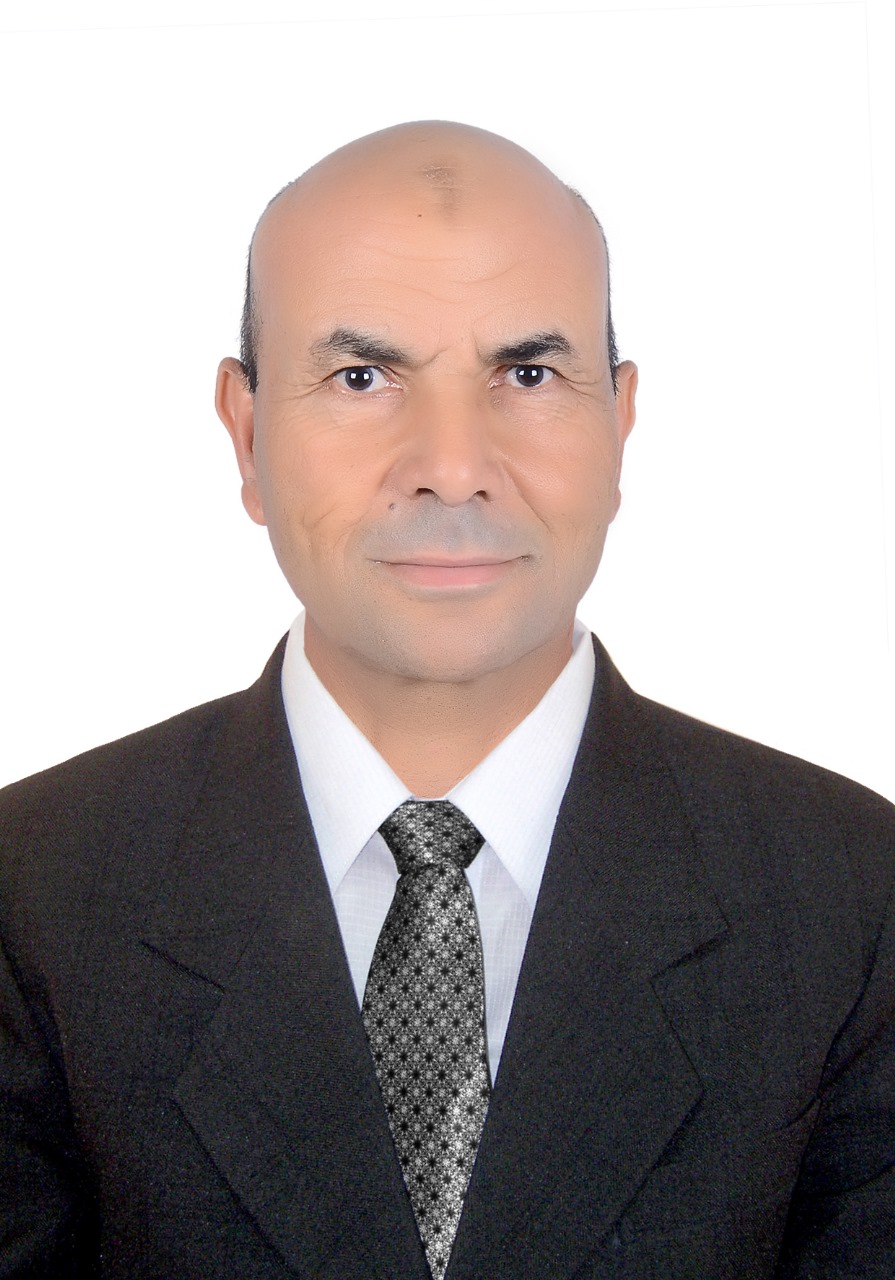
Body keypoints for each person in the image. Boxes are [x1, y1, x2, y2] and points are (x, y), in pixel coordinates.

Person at [0, 120, 893, 1280]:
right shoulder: (34, 893)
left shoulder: (852, 901)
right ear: (248, 430)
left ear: (619, 423)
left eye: (527, 374)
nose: (453, 465)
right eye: (362, 377)